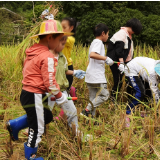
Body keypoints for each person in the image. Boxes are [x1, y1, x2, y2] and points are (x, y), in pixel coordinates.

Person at [6, 19, 73, 160]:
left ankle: (15, 125)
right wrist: (60, 96)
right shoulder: (47, 56)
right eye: (60, 39)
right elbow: (50, 83)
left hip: (27, 93)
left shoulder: (32, 52)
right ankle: (31, 155)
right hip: (34, 95)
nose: (62, 42)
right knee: (37, 129)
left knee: (46, 116)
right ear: (50, 38)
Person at [80, 23, 114, 118]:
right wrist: (106, 58)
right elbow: (93, 54)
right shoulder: (98, 42)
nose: (108, 36)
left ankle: (91, 119)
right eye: (107, 34)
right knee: (105, 95)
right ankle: (86, 110)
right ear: (103, 33)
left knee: (93, 98)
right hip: (97, 76)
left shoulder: (94, 42)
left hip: (90, 75)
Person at [106, 18, 142, 102]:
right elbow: (119, 50)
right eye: (134, 31)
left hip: (125, 62)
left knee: (130, 80)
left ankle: (129, 99)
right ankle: (113, 101)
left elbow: (128, 51)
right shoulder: (121, 34)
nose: (134, 33)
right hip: (116, 62)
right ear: (132, 27)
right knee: (118, 81)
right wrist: (121, 63)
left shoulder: (128, 34)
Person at [119, 57, 160, 127]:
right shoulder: (152, 73)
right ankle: (127, 114)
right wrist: (158, 107)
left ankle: (143, 112)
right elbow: (154, 93)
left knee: (148, 91)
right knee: (140, 93)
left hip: (142, 69)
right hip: (132, 69)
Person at [61, 17, 77, 95]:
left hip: (67, 66)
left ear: (71, 28)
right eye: (60, 27)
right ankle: (72, 89)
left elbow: (59, 38)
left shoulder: (70, 39)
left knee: (65, 90)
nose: (62, 30)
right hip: (58, 65)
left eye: (64, 28)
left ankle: (70, 90)